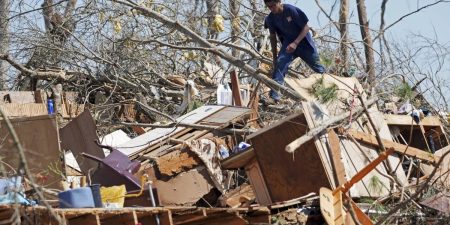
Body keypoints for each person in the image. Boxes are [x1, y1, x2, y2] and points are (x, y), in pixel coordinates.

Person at [264, 0, 325, 102]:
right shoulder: (270, 19)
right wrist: (275, 57)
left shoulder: (290, 10)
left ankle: (330, 89)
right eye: (269, 7)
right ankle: (274, 97)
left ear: (279, 2)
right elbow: (273, 37)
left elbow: (306, 28)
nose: (272, 8)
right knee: (280, 64)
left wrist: (296, 43)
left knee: (319, 68)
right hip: (288, 45)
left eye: (273, 5)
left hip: (304, 43)